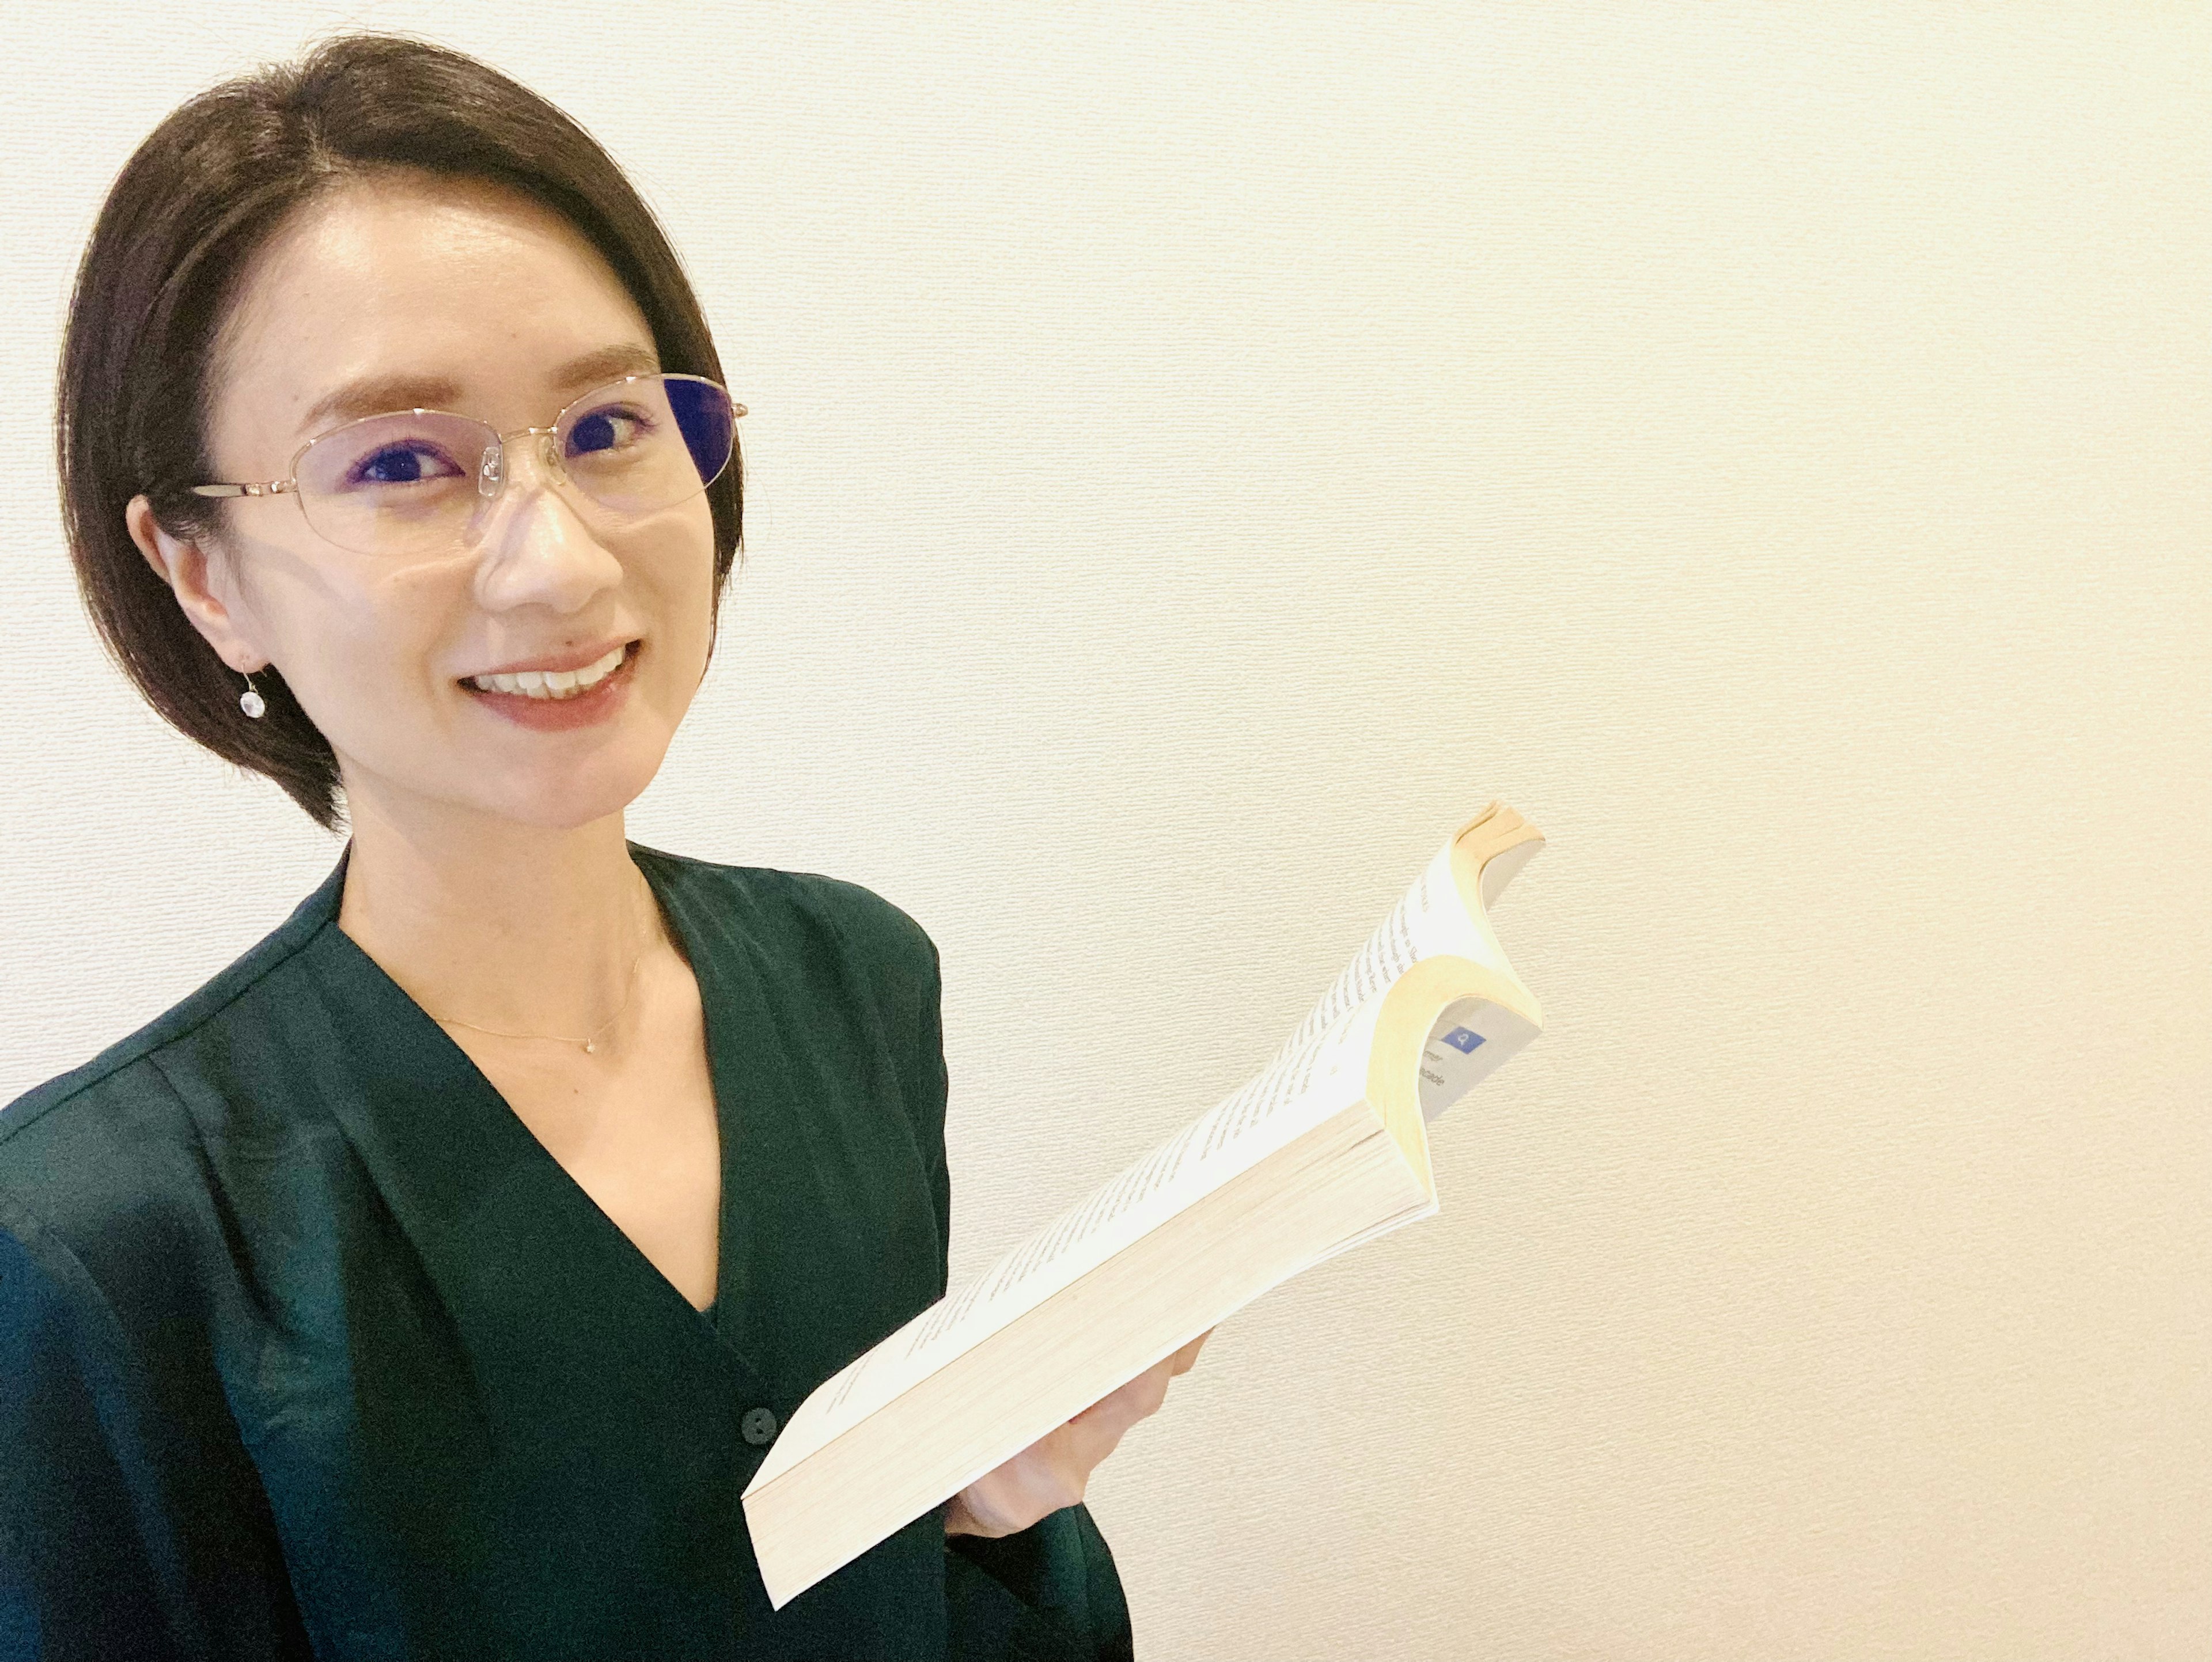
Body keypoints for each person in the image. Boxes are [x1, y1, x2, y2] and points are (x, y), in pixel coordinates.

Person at [0, 34, 1205, 1662]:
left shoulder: (854, 982)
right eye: (402, 465)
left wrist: (994, 1506)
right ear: (202, 571)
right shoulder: (96, 1240)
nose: (557, 566)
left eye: (610, 427)